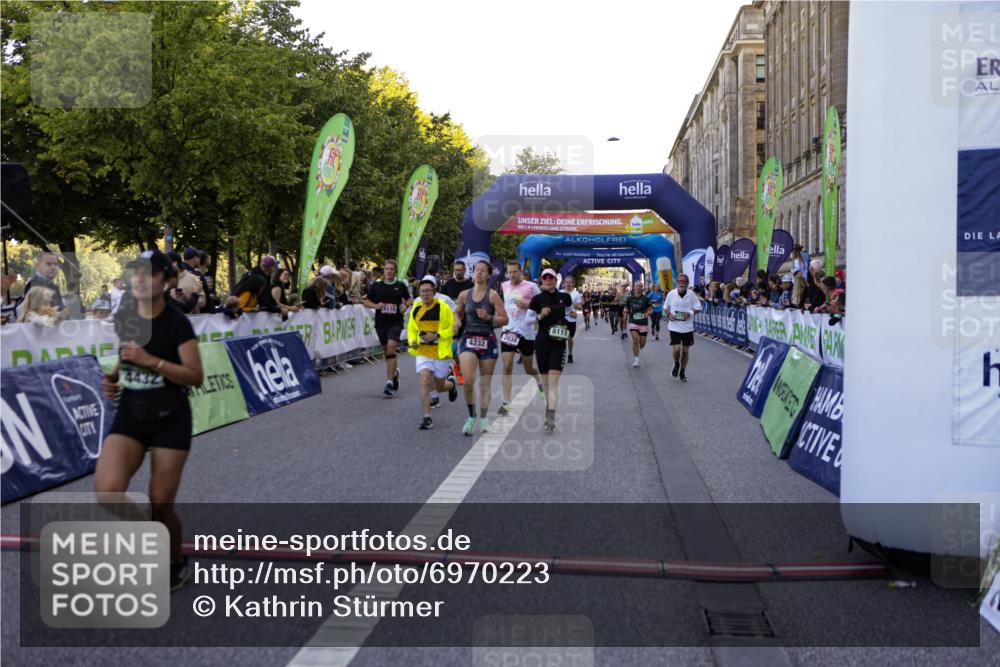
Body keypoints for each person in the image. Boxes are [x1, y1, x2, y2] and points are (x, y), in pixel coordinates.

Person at [95, 249, 204, 591]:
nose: (140, 279)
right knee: (108, 491)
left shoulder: (177, 323)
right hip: (132, 414)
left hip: (170, 417)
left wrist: (151, 360)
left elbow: (194, 376)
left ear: (166, 279)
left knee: (160, 503)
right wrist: (112, 378)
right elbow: (127, 358)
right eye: (135, 273)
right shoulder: (128, 315)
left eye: (149, 274)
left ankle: (176, 562)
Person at [454, 259, 508, 435]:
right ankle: (471, 416)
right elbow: (457, 313)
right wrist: (456, 322)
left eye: (483, 271)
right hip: (468, 338)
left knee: (485, 383)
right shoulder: (464, 295)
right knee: (468, 381)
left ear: (489, 275)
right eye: (477, 270)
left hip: (487, 340)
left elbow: (504, 319)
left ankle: (483, 417)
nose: (479, 273)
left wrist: (489, 318)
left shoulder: (493, 296)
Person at [407, 275, 459, 430]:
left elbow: (453, 329)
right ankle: (427, 417)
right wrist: (413, 341)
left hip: (440, 352)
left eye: (428, 291)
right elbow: (411, 329)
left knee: (440, 386)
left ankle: (451, 385)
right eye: (422, 291)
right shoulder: (416, 308)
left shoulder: (443, 307)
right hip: (423, 351)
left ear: (434, 292)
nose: (425, 294)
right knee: (424, 379)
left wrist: (436, 335)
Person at [529, 268, 573, 433]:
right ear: (541, 280)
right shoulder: (537, 299)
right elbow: (527, 321)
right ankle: (549, 407)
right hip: (542, 342)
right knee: (546, 382)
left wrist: (573, 314)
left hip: (558, 343)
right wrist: (540, 316)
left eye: (551, 277)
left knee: (553, 382)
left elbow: (569, 312)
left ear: (556, 280)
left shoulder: (565, 297)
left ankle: (551, 417)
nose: (548, 280)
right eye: (545, 277)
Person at [498, 259, 543, 417]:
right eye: (509, 272)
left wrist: (525, 305)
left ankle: (537, 379)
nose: (511, 275)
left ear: (521, 272)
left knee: (528, 368)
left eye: (514, 272)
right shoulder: (504, 286)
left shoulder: (531, 286)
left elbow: (542, 304)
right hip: (509, 330)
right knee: (507, 366)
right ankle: (506, 402)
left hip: (526, 332)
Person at [363, 259, 412, 398]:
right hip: (381, 323)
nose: (389, 271)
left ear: (394, 271)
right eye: (387, 269)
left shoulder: (400, 285)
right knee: (387, 352)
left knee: (391, 347)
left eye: (391, 269)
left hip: (395, 322)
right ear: (383, 271)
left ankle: (389, 383)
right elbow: (366, 301)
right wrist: (375, 306)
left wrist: (405, 306)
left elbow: (409, 299)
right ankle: (394, 373)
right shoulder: (376, 286)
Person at [665, 273, 702, 383]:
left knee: (685, 352)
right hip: (674, 327)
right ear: (677, 282)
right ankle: (676, 363)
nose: (681, 283)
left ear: (687, 283)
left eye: (683, 281)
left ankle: (682, 371)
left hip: (687, 328)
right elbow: (666, 307)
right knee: (677, 350)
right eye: (679, 281)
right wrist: (669, 315)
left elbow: (699, 308)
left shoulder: (691, 295)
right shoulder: (671, 294)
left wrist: (689, 313)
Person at [23, 251, 66, 319]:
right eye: (48, 264)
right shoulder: (34, 285)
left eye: (55, 264)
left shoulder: (53, 286)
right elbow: (36, 315)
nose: (53, 267)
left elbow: (60, 309)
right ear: (37, 266)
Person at [623, 282, 653, 367]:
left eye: (640, 286)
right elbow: (626, 308)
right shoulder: (630, 298)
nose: (638, 288)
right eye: (637, 286)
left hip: (643, 323)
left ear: (642, 288)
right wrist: (625, 314)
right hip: (633, 322)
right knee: (635, 340)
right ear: (634, 287)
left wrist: (649, 313)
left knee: (642, 344)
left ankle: (640, 347)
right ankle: (636, 360)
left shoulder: (646, 299)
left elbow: (650, 309)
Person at [560, 275, 583, 364]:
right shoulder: (560, 292)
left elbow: (580, 307)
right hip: (562, 318)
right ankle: (561, 355)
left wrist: (572, 302)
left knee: (569, 338)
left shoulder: (576, 294)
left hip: (571, 318)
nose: (568, 284)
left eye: (570, 282)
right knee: (561, 338)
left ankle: (570, 354)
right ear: (564, 283)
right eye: (566, 282)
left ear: (573, 283)